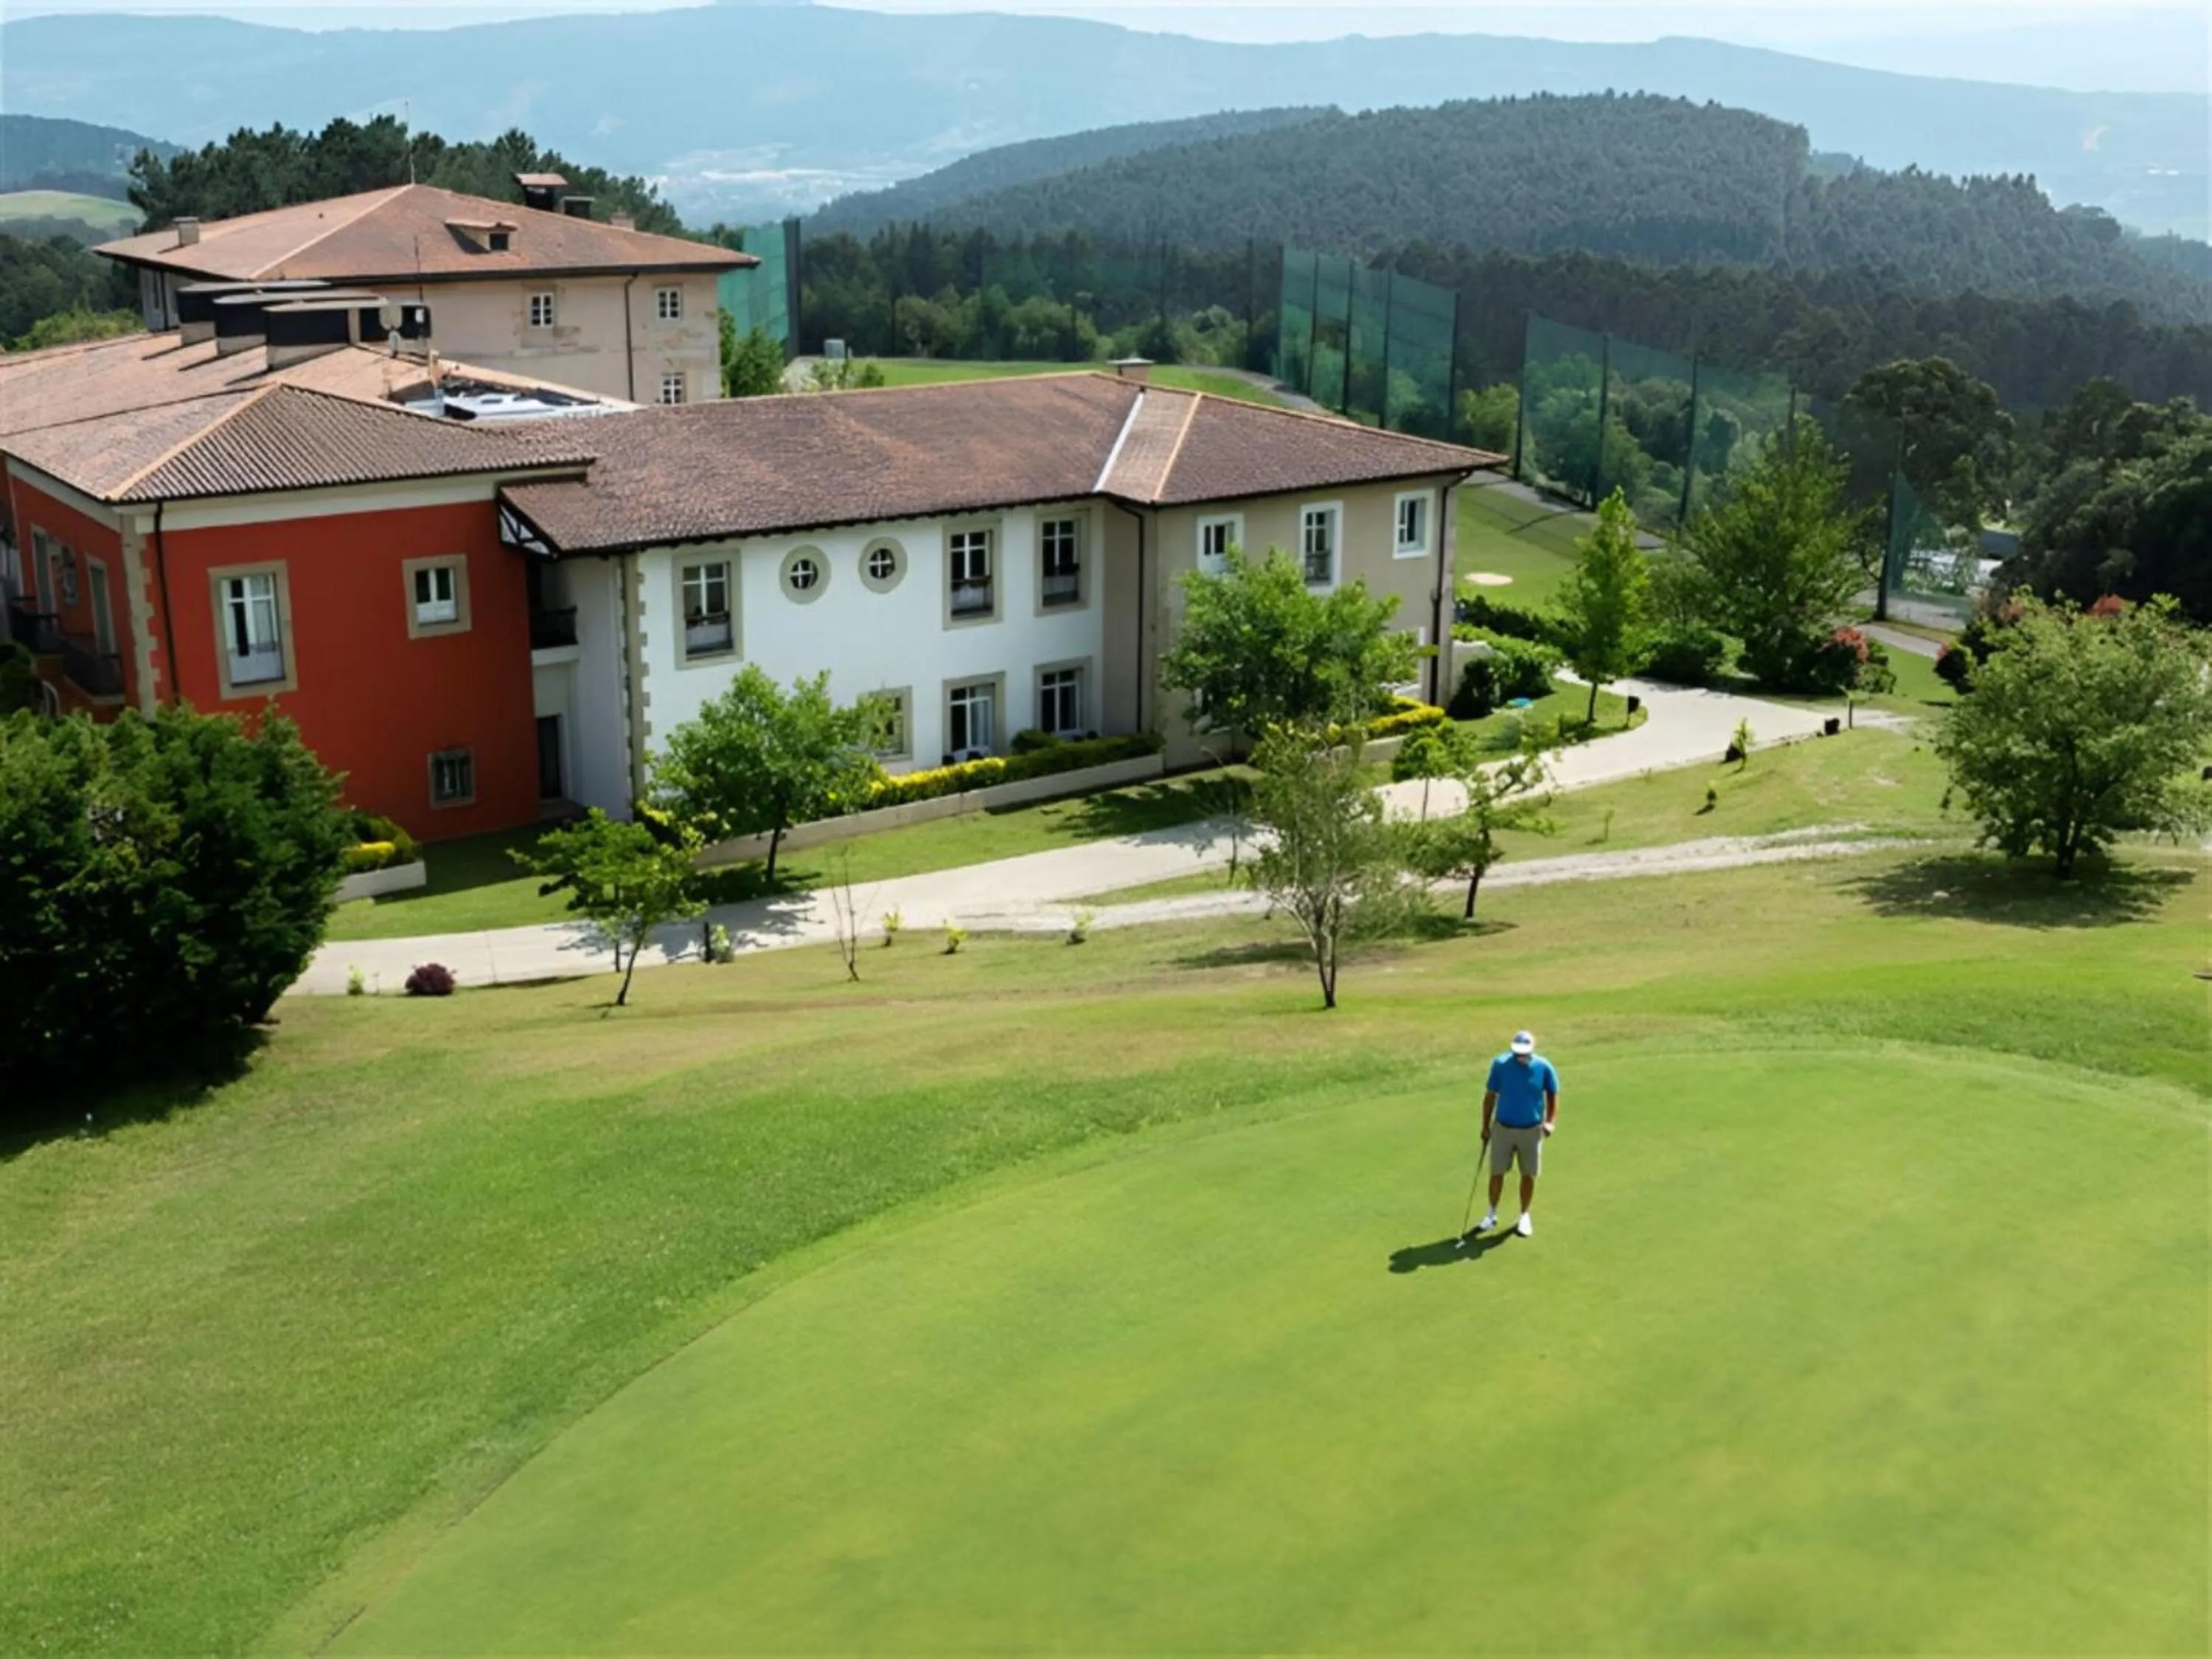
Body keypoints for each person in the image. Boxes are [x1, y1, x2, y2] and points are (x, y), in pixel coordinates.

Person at [1475, 1030, 1559, 1238]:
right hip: (1503, 1128)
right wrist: (1485, 1126)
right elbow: (1490, 1096)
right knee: (1497, 1173)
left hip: (1531, 1130)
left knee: (1528, 1174)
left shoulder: (1543, 1067)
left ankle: (1524, 1215)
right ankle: (1491, 1213)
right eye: (1517, 1052)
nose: (1520, 1056)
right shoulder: (1500, 1065)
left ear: (1532, 1049)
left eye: (1524, 1052)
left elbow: (1552, 1093)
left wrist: (1550, 1122)